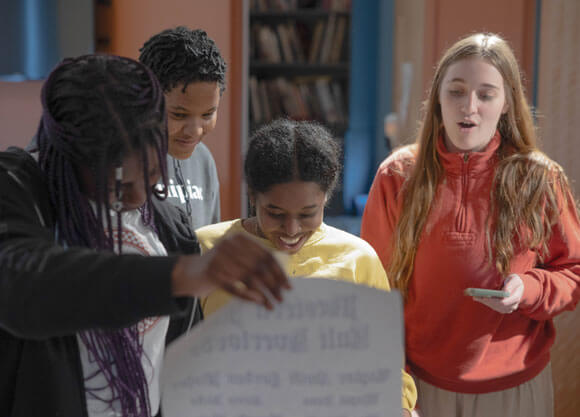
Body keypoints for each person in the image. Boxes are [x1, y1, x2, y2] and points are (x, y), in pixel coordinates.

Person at [0, 54, 289, 417]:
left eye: (152, 170)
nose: (138, 196)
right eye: (118, 182)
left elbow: (183, 360)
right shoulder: (17, 188)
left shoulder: (167, 222)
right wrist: (181, 275)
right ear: (72, 157)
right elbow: (23, 284)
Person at [361, 32, 580, 417]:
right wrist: (393, 381)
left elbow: (573, 273)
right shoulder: (397, 176)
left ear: (507, 102)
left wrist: (528, 288)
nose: (469, 107)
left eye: (486, 94)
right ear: (437, 98)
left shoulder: (540, 179)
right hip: (420, 387)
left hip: (515, 389)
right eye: (457, 91)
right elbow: (375, 290)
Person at [195, 118, 418, 415]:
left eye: (307, 213)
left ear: (326, 197)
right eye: (274, 213)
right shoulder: (206, 251)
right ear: (252, 196)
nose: (291, 228)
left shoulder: (358, 260)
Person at [139, 26, 224, 230]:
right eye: (178, 115)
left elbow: (208, 243)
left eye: (207, 115)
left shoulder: (203, 160)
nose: (195, 131)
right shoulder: (124, 160)